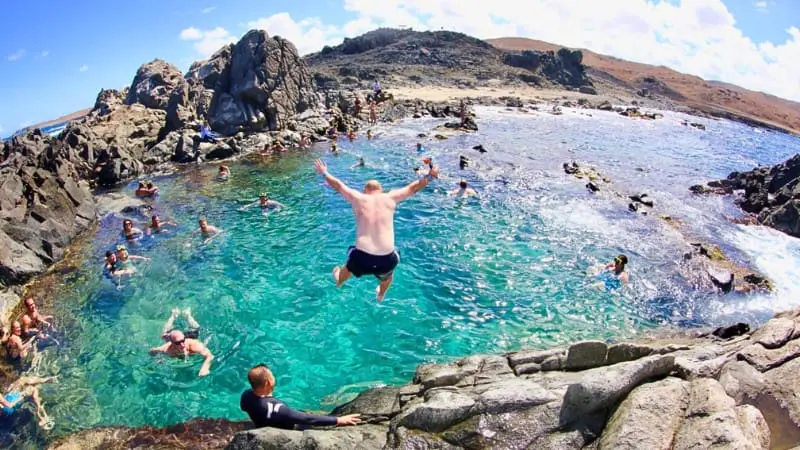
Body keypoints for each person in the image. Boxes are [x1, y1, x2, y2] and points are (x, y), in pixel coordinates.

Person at [314, 158, 439, 301]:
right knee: (388, 276)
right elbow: (413, 188)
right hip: (386, 259)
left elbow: (339, 186)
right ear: (381, 190)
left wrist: (324, 173)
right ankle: (380, 294)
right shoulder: (390, 197)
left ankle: (339, 281)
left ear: (365, 190)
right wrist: (430, 176)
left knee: (348, 267)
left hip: (361, 257)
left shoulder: (359, 198)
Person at [240, 364, 361, 429]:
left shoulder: (246, 396)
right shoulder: (276, 408)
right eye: (272, 375)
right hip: (288, 429)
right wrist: (338, 420)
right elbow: (308, 419)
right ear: (268, 382)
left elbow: (244, 408)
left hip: (261, 425)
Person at [150, 308, 213, 377]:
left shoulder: (194, 345)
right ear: (171, 343)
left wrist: (205, 368)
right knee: (164, 333)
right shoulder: (166, 349)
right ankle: (173, 315)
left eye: (183, 341)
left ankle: (188, 315)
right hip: (174, 338)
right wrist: (158, 359)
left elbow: (210, 356)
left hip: (190, 336)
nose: (182, 345)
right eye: (178, 343)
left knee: (197, 329)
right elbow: (152, 351)